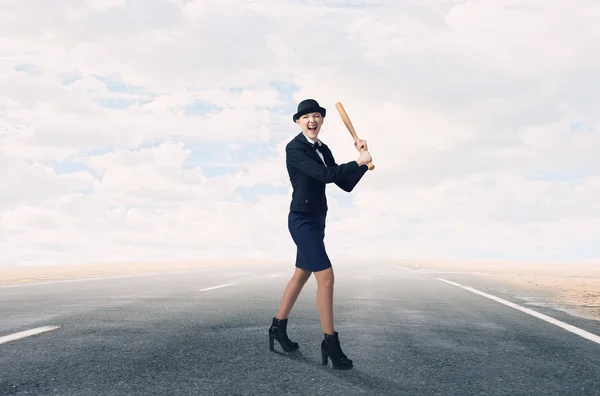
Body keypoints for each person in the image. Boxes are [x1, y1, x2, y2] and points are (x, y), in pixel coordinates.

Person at [268, 98, 372, 370]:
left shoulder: (323, 148)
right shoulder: (295, 148)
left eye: (316, 116)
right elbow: (324, 175)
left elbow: (343, 182)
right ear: (297, 122)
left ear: (322, 121)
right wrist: (357, 161)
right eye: (306, 117)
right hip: (301, 220)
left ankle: (277, 328)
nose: (312, 121)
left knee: (300, 275)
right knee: (326, 277)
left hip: (317, 219)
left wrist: (362, 161)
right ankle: (330, 342)